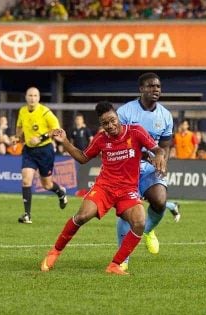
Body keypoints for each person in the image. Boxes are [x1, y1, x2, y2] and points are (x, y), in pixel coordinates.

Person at [40, 101, 166, 275]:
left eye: (113, 120)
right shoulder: (101, 139)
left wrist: (159, 155)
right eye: (105, 123)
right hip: (104, 187)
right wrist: (65, 142)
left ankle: (115, 265)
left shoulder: (136, 132)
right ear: (101, 124)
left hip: (127, 190)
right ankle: (54, 251)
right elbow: (83, 158)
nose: (111, 125)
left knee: (139, 222)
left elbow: (157, 149)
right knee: (82, 216)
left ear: (118, 117)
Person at [115, 72, 173, 268]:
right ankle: (123, 258)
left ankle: (147, 231)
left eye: (158, 86)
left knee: (160, 201)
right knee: (128, 212)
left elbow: (165, 145)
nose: (155, 89)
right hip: (126, 168)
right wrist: (144, 155)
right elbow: (117, 143)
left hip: (149, 169)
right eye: (150, 86)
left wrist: (163, 163)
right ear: (141, 89)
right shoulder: (125, 112)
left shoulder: (165, 115)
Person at [14, 87, 68, 224]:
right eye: (30, 95)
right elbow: (20, 126)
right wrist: (17, 136)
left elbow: (57, 130)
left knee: (47, 185)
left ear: (39, 98)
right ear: (26, 97)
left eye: (35, 95)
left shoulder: (45, 112)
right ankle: (27, 215)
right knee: (26, 180)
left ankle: (60, 192)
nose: (32, 98)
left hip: (45, 151)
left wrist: (41, 138)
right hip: (29, 151)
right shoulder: (22, 111)